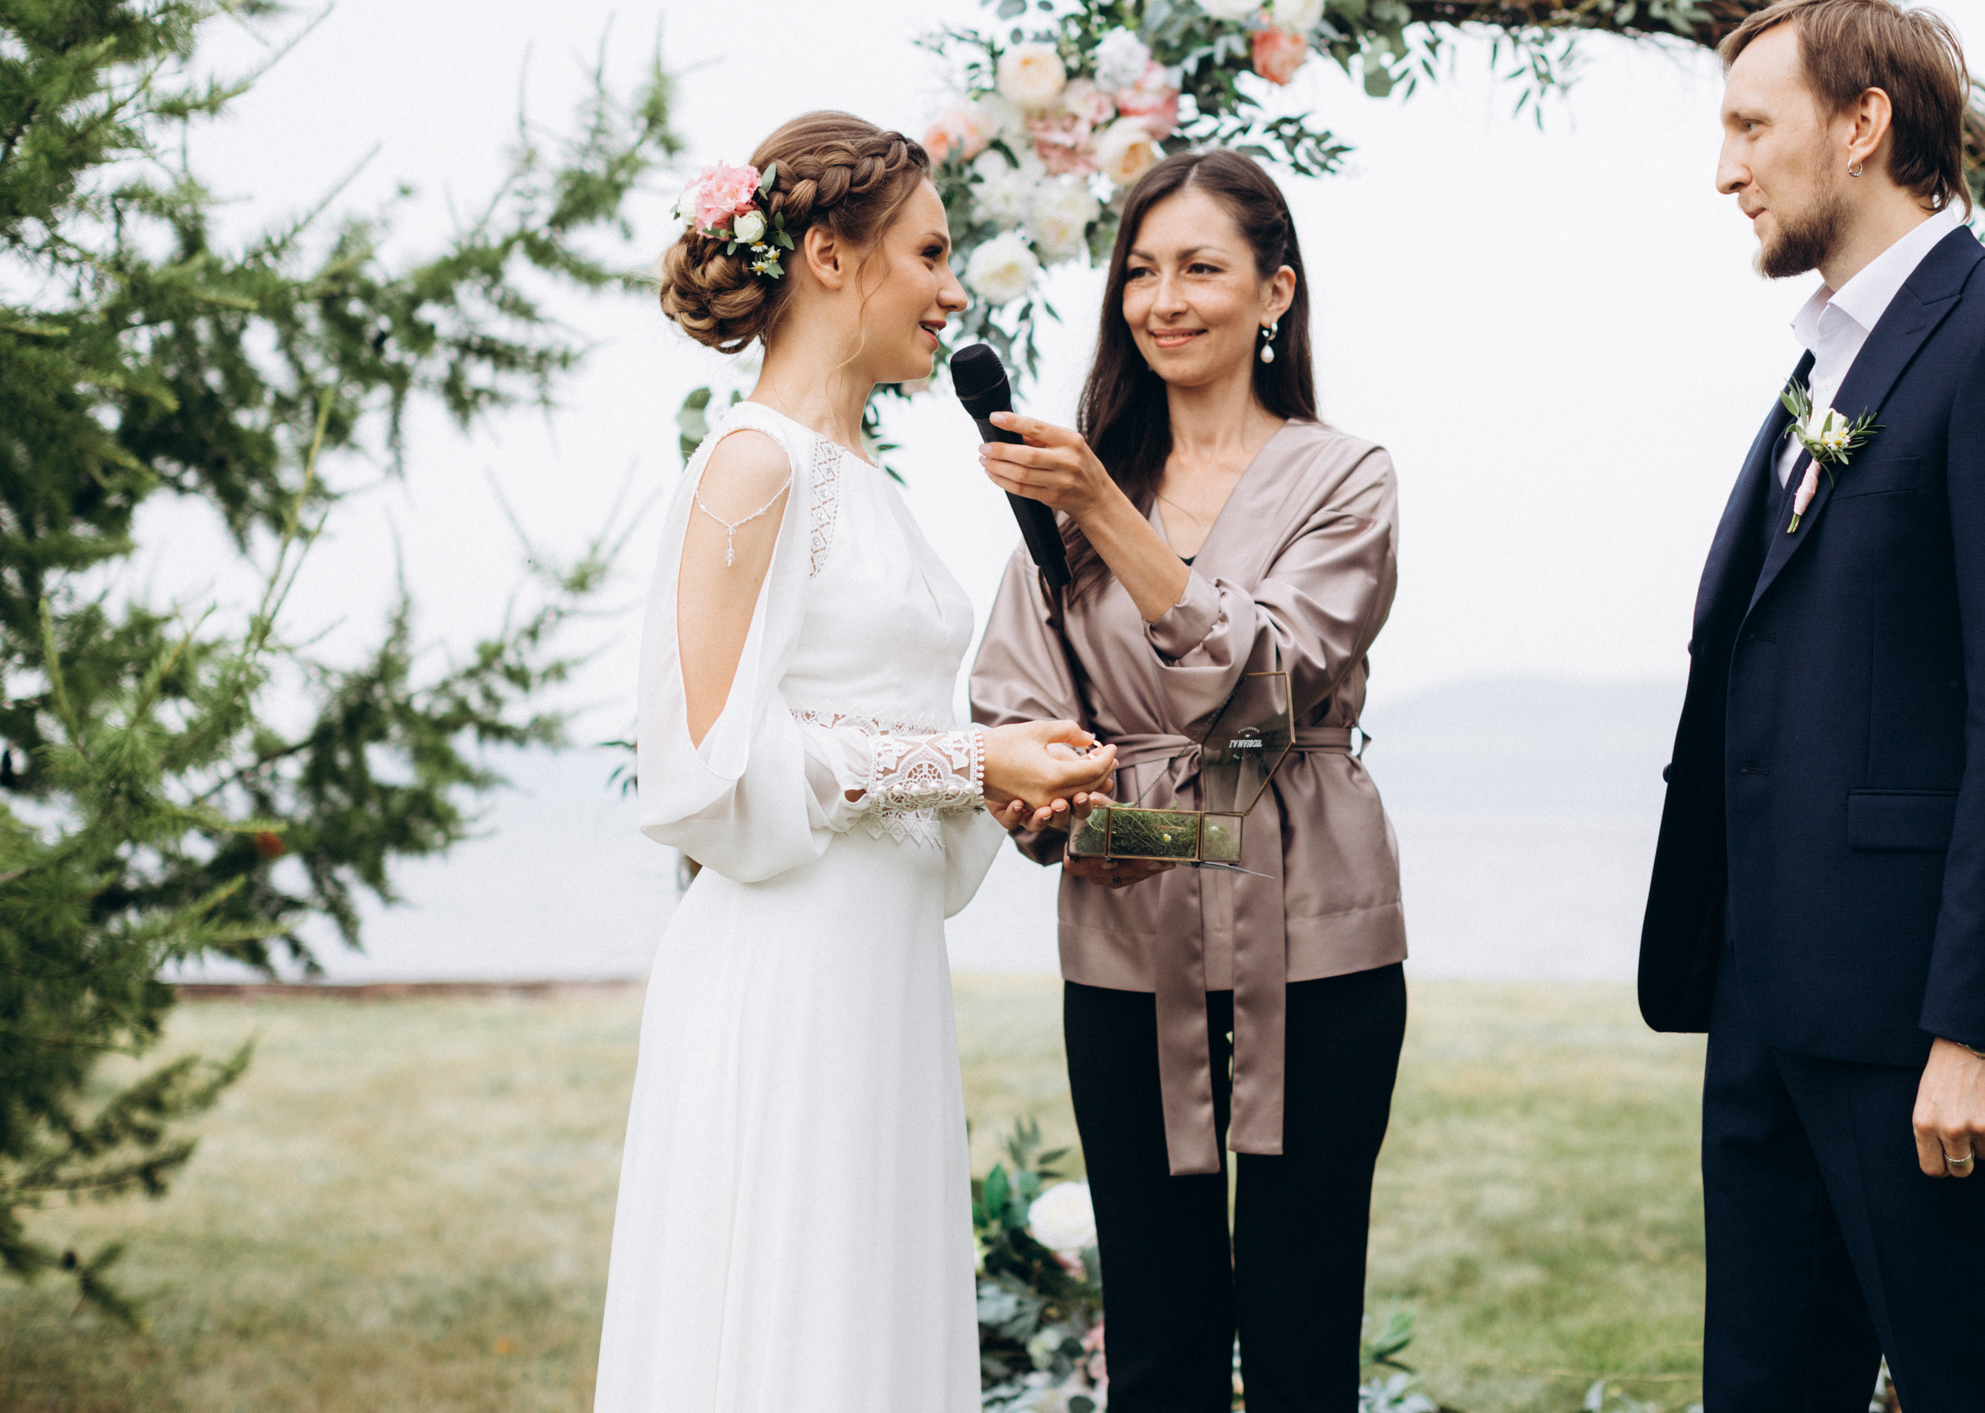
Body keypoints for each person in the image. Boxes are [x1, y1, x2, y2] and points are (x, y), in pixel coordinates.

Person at [1636, 0, 1985, 1411]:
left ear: (1864, 124)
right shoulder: (1828, 360)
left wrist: (1982, 1025)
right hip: (1770, 1003)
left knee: (1981, 1386)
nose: (1725, 168)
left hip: (1922, 1028)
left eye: (1750, 126)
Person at [594, 112, 1115, 1413]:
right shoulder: (752, 464)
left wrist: (999, 778)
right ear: (831, 255)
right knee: (788, 1321)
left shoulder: (867, 476)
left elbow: (886, 740)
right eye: (930, 253)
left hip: (881, 961)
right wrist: (965, 752)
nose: (954, 291)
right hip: (785, 965)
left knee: (870, 1316)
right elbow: (703, 767)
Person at [969, 150, 1405, 1413]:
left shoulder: (1344, 477)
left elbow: (1267, 684)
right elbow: (1013, 701)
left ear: (1274, 293)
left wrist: (1105, 510)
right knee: (1152, 1326)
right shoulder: (1063, 494)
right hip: (1125, 934)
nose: (1163, 298)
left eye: (1200, 268)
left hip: (1316, 937)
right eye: (1140, 272)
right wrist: (1035, 802)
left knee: (1301, 1316)